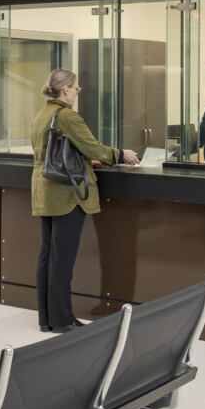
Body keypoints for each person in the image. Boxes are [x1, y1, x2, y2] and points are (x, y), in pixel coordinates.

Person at [31, 68, 137, 334]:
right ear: (66, 89)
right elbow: (91, 146)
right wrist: (121, 154)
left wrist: (87, 159)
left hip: (45, 191)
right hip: (67, 194)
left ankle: (47, 318)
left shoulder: (42, 114)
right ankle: (63, 320)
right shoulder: (67, 116)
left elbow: (59, 150)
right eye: (76, 89)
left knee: (48, 256)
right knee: (63, 261)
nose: (77, 93)